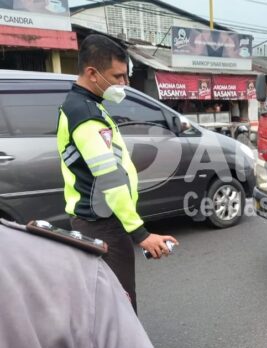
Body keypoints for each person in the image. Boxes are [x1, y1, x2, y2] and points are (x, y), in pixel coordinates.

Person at [57, 34, 177, 312]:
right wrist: (140, 234)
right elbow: (108, 177)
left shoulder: (85, 106)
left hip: (98, 219)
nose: (124, 83)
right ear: (92, 73)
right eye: (118, 76)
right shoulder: (86, 116)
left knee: (106, 297)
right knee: (121, 302)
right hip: (103, 223)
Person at [0, 219, 180, 348]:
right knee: (115, 303)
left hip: (84, 221)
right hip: (107, 225)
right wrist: (142, 235)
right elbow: (115, 192)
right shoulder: (71, 266)